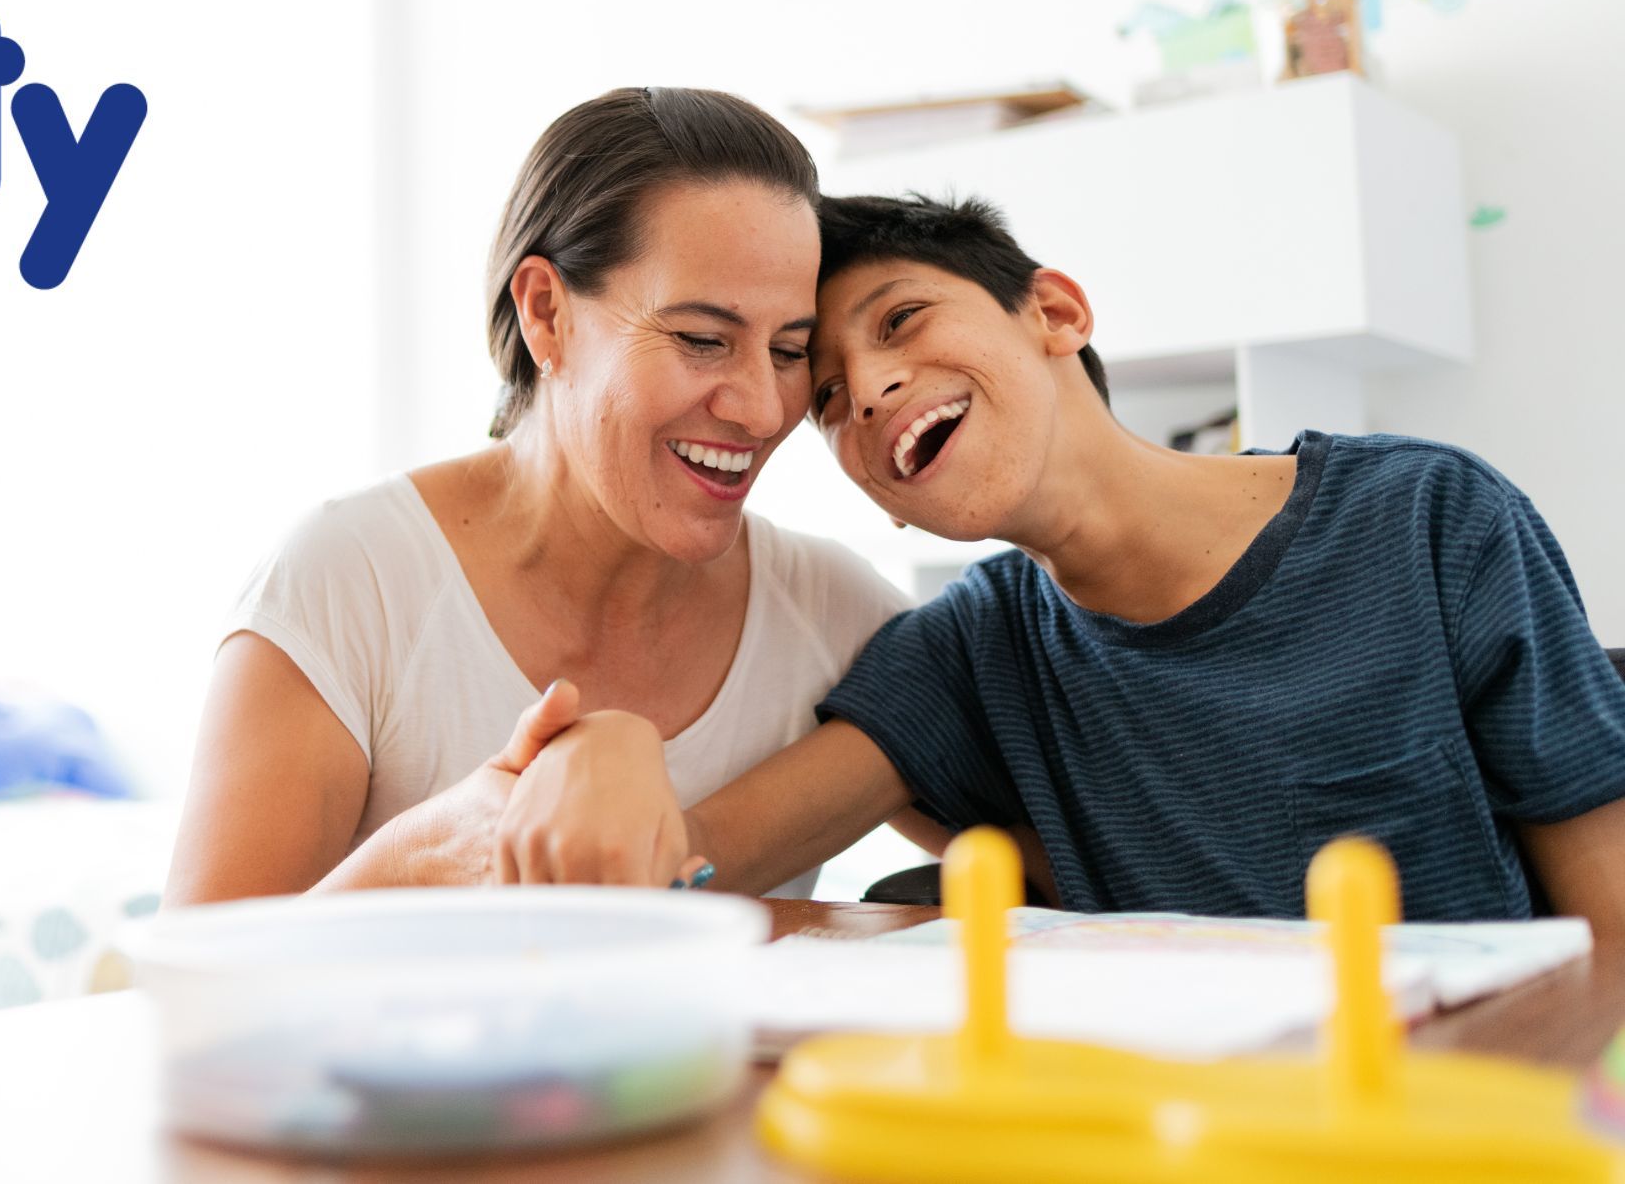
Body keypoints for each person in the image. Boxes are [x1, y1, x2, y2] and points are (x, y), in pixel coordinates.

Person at [500, 192, 1625, 939]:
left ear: (1053, 309)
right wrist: (604, 745)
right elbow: (683, 868)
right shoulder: (968, 652)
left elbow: (1610, 935)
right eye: (830, 399)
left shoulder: (1426, 520)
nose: (873, 389)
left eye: (901, 320)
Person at [162, 89, 917, 906]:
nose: (764, 409)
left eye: (789, 350)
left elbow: (1046, 849)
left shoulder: (832, 616)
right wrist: (421, 856)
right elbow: (187, 998)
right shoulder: (351, 582)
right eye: (702, 340)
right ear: (546, 313)